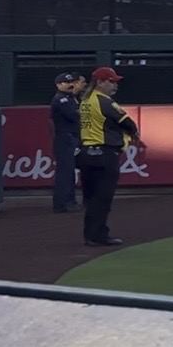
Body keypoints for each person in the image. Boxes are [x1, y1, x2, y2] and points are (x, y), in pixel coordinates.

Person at [76, 66, 142, 247]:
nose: (115, 86)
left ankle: (90, 234)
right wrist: (133, 134)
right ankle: (98, 235)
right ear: (100, 82)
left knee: (91, 198)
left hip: (86, 153)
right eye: (111, 82)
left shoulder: (85, 100)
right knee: (103, 197)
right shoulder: (105, 101)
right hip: (104, 154)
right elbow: (128, 123)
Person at [48, 71, 82, 213]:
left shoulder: (71, 98)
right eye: (66, 83)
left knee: (70, 171)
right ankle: (62, 204)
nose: (69, 85)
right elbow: (75, 115)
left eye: (70, 82)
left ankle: (70, 201)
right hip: (65, 138)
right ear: (58, 85)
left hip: (71, 137)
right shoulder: (60, 99)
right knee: (65, 172)